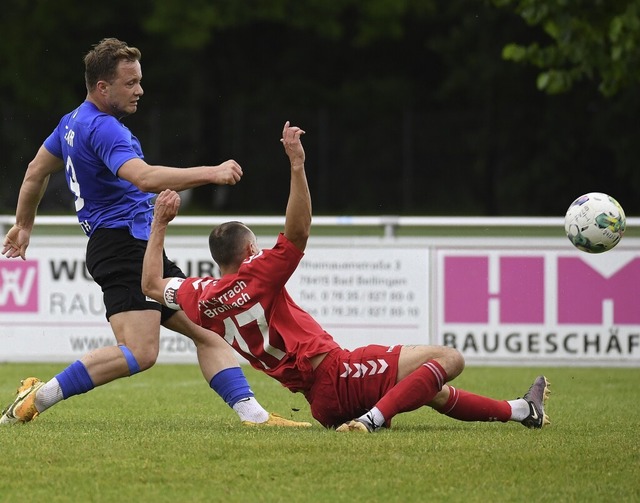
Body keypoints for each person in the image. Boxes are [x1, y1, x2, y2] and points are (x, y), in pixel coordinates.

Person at [141, 120, 551, 432]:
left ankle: (523, 411)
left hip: (320, 403)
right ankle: (371, 421)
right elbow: (298, 232)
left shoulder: (201, 293)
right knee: (449, 359)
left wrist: (159, 223)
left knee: (430, 387)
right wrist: (297, 165)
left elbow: (151, 286)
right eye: (257, 244)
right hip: (337, 375)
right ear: (249, 251)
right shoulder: (257, 274)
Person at [0, 38, 310, 428]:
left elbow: (34, 172)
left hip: (136, 246)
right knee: (140, 352)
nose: (140, 90)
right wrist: (210, 173)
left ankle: (256, 417)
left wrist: (23, 224)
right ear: (102, 87)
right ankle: (39, 396)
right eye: (130, 83)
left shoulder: (70, 123)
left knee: (208, 327)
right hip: (121, 246)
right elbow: (144, 178)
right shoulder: (103, 128)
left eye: (139, 81)